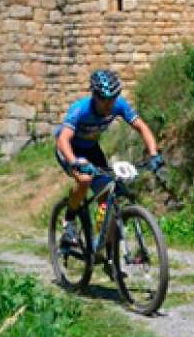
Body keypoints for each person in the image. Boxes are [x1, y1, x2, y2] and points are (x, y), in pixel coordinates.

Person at [56, 69, 162, 248]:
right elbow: (63, 139)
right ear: (94, 95)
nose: (108, 105)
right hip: (69, 150)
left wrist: (154, 154)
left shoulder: (119, 105)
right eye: (104, 100)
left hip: (91, 150)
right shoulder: (80, 109)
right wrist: (74, 162)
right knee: (85, 180)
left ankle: (100, 236)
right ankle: (69, 220)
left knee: (106, 194)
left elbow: (142, 127)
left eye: (112, 99)